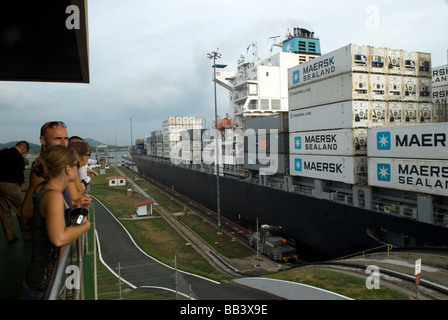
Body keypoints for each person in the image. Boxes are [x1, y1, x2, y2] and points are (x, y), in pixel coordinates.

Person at [20, 145, 90, 300]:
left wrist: (76, 207)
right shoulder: (53, 196)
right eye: (77, 166)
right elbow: (58, 238)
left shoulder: (46, 189)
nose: (78, 170)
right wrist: (86, 226)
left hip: (40, 280)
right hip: (40, 286)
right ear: (68, 169)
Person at [0, 141, 29, 243]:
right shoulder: (18, 157)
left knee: (4, 211)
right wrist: (21, 180)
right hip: (10, 185)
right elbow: (19, 174)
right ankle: (28, 236)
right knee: (23, 209)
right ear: (23, 148)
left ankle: (10, 237)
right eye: (24, 151)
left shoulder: (3, 152)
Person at [68, 141, 92, 208]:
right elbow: (76, 197)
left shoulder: (73, 170)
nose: (89, 158)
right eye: (88, 155)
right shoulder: (71, 172)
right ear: (83, 156)